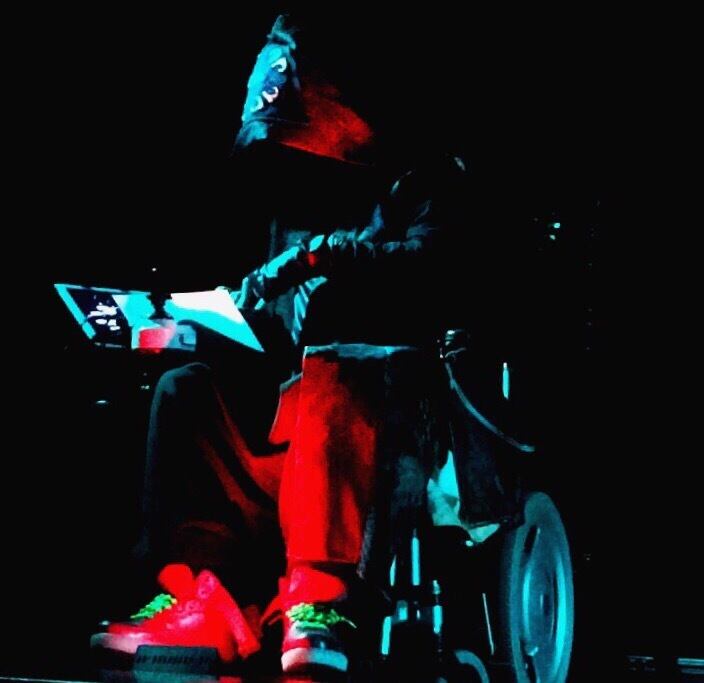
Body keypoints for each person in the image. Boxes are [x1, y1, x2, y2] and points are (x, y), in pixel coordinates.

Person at [91, 12, 468, 675]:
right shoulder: (296, 199)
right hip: (294, 415)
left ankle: (321, 599)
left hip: (383, 417)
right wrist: (189, 323)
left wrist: (321, 258)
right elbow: (274, 321)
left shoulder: (424, 178)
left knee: (334, 372)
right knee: (189, 391)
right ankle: (205, 596)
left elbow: (435, 274)